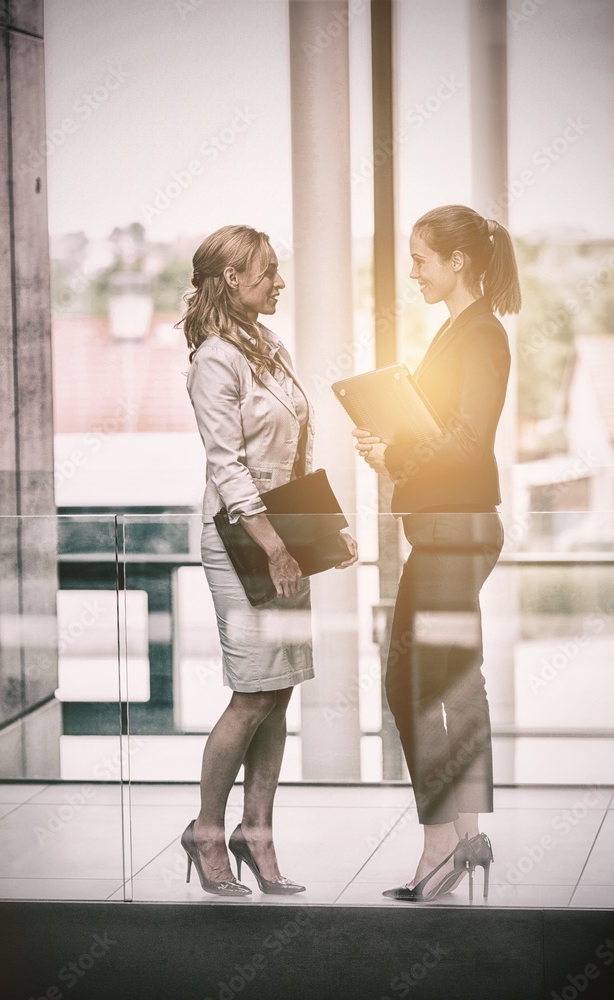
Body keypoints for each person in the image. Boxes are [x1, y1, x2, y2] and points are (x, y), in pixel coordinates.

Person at [180, 224, 357, 896]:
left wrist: (326, 529)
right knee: (252, 693)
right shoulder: (215, 360)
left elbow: (297, 458)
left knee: (277, 693)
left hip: (281, 539)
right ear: (231, 277)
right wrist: (279, 547)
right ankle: (205, 832)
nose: (279, 282)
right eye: (268, 272)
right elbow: (228, 468)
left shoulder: (269, 348)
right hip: (240, 545)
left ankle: (256, 836)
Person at [353, 204, 521, 902]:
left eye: (421, 258)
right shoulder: (458, 330)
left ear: (459, 262)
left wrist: (396, 451)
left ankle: (442, 843)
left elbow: (466, 440)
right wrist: (388, 449)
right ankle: (463, 838)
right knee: (450, 681)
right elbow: (442, 434)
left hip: (456, 531)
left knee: (412, 684)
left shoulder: (480, 335)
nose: (414, 270)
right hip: (446, 528)